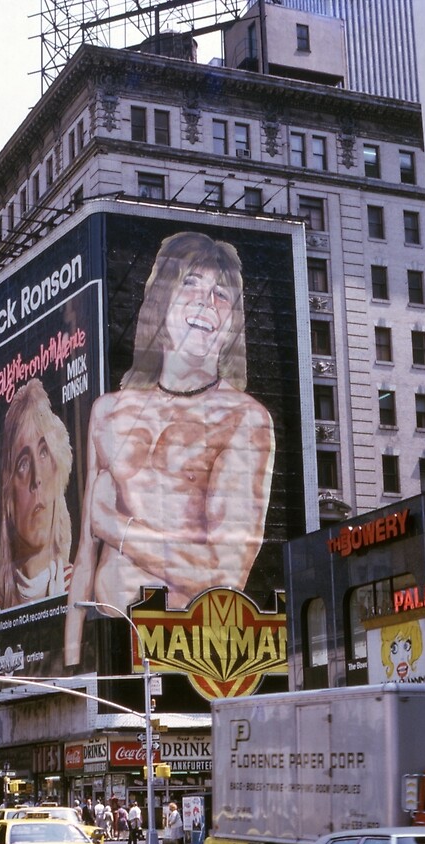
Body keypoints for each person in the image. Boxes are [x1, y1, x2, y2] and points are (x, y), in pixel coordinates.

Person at [65, 231, 275, 665]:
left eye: (221, 294)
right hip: (109, 651)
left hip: (188, 654)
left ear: (232, 323)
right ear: (161, 299)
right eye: (191, 283)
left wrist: (114, 526)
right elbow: (84, 560)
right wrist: (71, 666)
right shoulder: (107, 412)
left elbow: (224, 576)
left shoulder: (245, 420)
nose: (206, 301)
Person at [0, 378, 73, 613]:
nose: (37, 479)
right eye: (23, 463)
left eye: (44, 452)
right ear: (8, 493)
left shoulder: (82, 586)